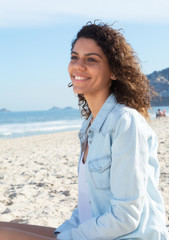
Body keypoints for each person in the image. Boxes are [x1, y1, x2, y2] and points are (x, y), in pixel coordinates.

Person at [0, 21, 169, 239]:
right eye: (74, 57)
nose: (78, 65)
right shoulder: (90, 126)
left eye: (91, 59)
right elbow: (88, 206)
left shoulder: (125, 123)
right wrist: (64, 232)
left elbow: (126, 217)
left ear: (114, 71)